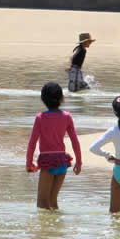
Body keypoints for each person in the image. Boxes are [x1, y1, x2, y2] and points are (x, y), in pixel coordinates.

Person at [26, 82, 82, 210]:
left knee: (42, 203)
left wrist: (29, 163)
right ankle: (57, 228)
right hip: (62, 161)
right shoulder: (67, 116)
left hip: (47, 162)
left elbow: (32, 143)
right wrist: (79, 162)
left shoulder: (40, 118)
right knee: (52, 201)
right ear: (61, 99)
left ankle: (47, 230)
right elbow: (75, 141)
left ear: (42, 99)